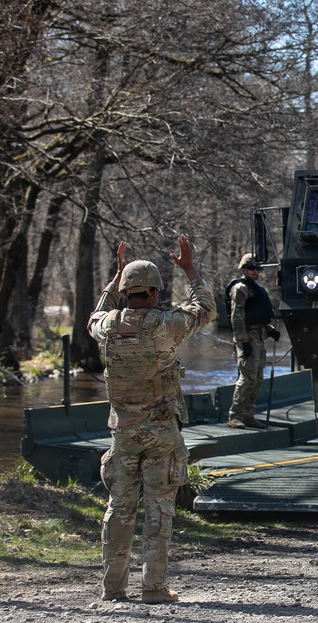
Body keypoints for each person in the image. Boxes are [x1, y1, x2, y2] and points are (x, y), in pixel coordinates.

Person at [88, 235, 217, 604]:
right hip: (161, 432)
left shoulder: (107, 327)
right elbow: (205, 308)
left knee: (119, 509)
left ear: (126, 291)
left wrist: (115, 279)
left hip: (123, 432)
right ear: (157, 292)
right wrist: (190, 268)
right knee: (159, 508)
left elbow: (94, 316)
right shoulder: (167, 325)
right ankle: (154, 588)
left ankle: (113, 589)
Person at [227, 253, 280, 429]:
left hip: (258, 337)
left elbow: (259, 316)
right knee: (246, 378)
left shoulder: (256, 288)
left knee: (257, 379)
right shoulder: (240, 288)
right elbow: (237, 317)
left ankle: (248, 414)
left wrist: (270, 330)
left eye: (257, 268)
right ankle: (235, 415)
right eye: (251, 268)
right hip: (247, 338)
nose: (255, 272)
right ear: (243, 269)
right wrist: (243, 342)